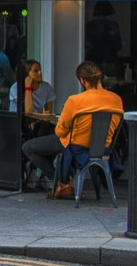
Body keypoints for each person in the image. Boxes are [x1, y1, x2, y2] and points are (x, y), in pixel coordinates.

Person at [21, 61, 123, 198]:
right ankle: (65, 183)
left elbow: (60, 131)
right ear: (100, 78)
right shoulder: (116, 100)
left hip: (75, 145)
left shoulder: (75, 101)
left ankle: (62, 183)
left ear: (83, 81)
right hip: (103, 147)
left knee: (28, 147)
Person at [84, 0, 123, 77]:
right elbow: (118, 45)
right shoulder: (90, 26)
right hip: (96, 60)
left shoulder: (112, 26)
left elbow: (118, 45)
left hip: (108, 61)